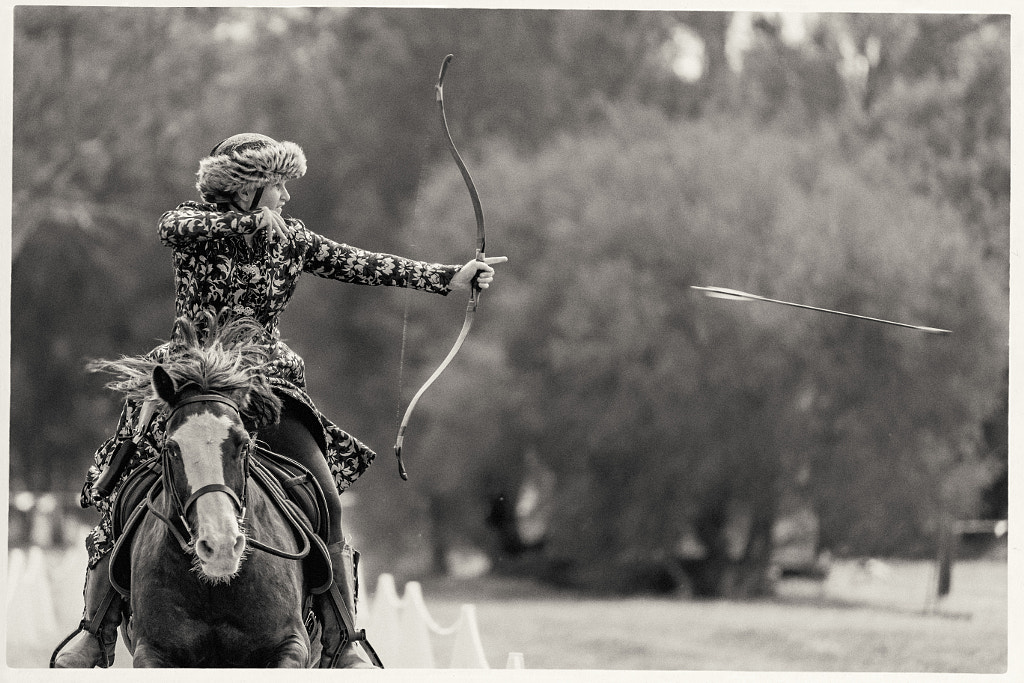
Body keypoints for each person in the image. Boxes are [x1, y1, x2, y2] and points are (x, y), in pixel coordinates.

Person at [53, 133, 506, 668]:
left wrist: (447, 278)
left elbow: (360, 263)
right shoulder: (190, 224)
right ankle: (98, 630)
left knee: (327, 498)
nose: (286, 197)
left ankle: (341, 641)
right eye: (278, 185)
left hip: (265, 389)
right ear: (248, 188)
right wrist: (251, 223)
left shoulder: (290, 237)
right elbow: (174, 227)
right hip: (189, 383)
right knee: (123, 484)